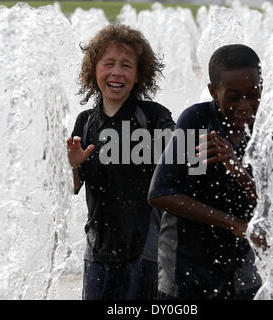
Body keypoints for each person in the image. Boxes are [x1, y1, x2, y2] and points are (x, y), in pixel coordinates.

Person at [147, 44, 267, 300]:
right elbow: (160, 193)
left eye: (253, 95)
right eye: (233, 97)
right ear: (213, 92)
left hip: (241, 266)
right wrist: (233, 223)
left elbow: (272, 207)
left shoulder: (266, 131)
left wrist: (238, 171)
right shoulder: (198, 123)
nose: (245, 106)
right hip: (185, 265)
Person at [66, 24, 175, 300]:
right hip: (98, 249)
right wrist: (74, 165)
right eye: (109, 64)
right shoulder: (85, 122)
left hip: (144, 249)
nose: (117, 73)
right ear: (94, 70)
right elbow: (73, 187)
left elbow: (178, 154)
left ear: (138, 74)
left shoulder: (152, 117)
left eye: (126, 65)